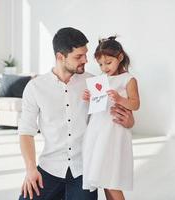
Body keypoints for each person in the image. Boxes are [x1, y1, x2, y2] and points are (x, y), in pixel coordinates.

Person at [18, 28, 135, 200]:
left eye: (85, 54)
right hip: (49, 168)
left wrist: (129, 121)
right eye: (78, 57)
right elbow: (26, 131)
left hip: (83, 169)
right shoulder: (36, 87)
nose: (86, 60)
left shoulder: (95, 83)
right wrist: (30, 169)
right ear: (60, 57)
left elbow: (110, 118)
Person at [82, 36, 140, 200]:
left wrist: (121, 99)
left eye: (108, 63)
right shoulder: (100, 80)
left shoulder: (128, 79)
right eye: (100, 64)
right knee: (104, 178)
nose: (104, 67)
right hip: (97, 131)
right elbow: (100, 105)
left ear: (120, 57)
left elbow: (135, 104)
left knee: (110, 178)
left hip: (113, 132)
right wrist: (90, 98)